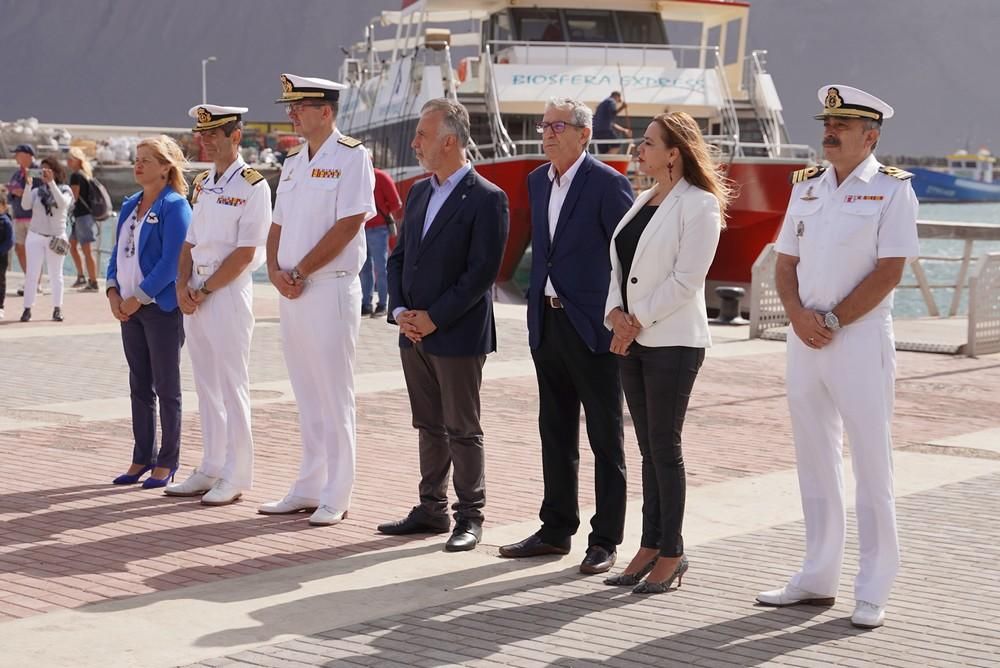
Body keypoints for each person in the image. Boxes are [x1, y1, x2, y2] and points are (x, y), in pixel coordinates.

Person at [756, 85, 919, 630]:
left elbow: (891, 270)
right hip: (805, 340)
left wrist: (832, 320)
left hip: (859, 339)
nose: (830, 132)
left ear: (870, 136)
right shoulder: (806, 187)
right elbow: (784, 263)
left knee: (872, 465)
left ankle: (873, 587)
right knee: (815, 460)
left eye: (843, 126)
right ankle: (816, 575)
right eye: (827, 123)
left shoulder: (893, 192)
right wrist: (799, 316)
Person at [499, 98, 634, 574]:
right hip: (548, 321)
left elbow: (628, 253)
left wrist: (623, 316)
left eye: (559, 125)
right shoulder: (538, 181)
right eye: (544, 125)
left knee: (604, 437)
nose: (548, 133)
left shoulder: (608, 183)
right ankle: (555, 530)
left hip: (593, 325)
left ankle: (605, 540)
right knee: (554, 431)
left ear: (584, 134)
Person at [601, 111, 730, 594]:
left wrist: (635, 322)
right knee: (647, 450)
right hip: (633, 339)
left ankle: (672, 552)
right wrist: (615, 314)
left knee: (664, 447)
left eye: (649, 143)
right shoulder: (642, 200)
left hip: (673, 341)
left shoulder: (700, 206)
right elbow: (618, 266)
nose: (640, 150)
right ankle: (650, 544)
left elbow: (686, 279)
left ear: (674, 153)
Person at [376, 99, 509, 552]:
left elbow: (480, 274)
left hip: (457, 334)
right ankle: (430, 509)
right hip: (412, 332)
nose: (414, 143)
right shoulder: (416, 192)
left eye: (422, 135)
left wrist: (434, 318)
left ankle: (470, 516)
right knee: (427, 424)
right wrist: (401, 313)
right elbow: (398, 258)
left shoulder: (488, 198)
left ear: (449, 141)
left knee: (462, 427)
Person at [258, 73, 376, 526]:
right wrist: (273, 271)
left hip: (328, 287)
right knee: (306, 392)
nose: (291, 114)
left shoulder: (352, 157)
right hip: (292, 289)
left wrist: (301, 270)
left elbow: (350, 223)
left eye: (299, 107)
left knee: (334, 393)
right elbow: (277, 225)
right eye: (290, 107)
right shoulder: (291, 161)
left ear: (325, 111)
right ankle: (307, 485)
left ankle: (336, 492)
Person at [165, 105, 272, 506]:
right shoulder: (204, 183)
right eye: (202, 135)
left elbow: (246, 252)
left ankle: (236, 473)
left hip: (225, 291)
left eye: (214, 135)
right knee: (206, 384)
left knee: (231, 384)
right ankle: (211, 465)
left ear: (235, 137)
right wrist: (181, 284)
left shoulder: (253, 185)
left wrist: (205, 289)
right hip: (196, 287)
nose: (205, 142)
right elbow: (190, 242)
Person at [106, 136, 192, 489]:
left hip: (160, 310)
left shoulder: (175, 206)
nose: (137, 165)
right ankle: (142, 456)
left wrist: (138, 297)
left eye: (146, 160)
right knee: (139, 385)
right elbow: (116, 252)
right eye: (136, 159)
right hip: (129, 309)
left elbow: (172, 262)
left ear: (166, 167)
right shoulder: (129, 205)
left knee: (166, 386)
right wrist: (112, 289)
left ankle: (167, 461)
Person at [20, 157, 72, 323]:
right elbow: (25, 205)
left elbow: (62, 204)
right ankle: (27, 308)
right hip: (35, 235)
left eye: (47, 170)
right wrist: (28, 184)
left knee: (56, 275)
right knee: (31, 274)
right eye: (41, 170)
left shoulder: (65, 190)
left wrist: (51, 183)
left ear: (55, 172)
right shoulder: (36, 191)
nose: (43, 173)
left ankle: (57, 308)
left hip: (56, 237)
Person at [361, 159, 402, 316]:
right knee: (365, 268)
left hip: (378, 229)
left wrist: (379, 214)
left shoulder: (381, 177)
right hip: (361, 228)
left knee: (380, 267)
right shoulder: (358, 177)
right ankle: (366, 304)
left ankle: (383, 304)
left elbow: (395, 203)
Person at [66, 147, 100, 291]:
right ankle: (81, 276)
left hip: (82, 217)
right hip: (83, 216)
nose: (67, 162)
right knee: (72, 245)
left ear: (77, 160)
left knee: (86, 250)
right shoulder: (85, 175)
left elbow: (73, 197)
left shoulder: (76, 176)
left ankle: (93, 281)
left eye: (70, 159)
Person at [7, 144, 38, 295]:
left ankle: (35, 284)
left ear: (27, 155)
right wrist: (14, 192)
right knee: (20, 250)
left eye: (18, 154)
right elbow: (9, 194)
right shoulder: (16, 173)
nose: (15, 157)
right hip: (18, 217)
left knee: (34, 252)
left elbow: (41, 191)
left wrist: (24, 191)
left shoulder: (38, 170)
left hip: (34, 218)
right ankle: (29, 280)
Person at [0, 195, 12, 320]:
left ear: (4, 206)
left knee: (1, 281)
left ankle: (0, 307)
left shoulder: (6, 221)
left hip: (2, 257)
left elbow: (10, 240)